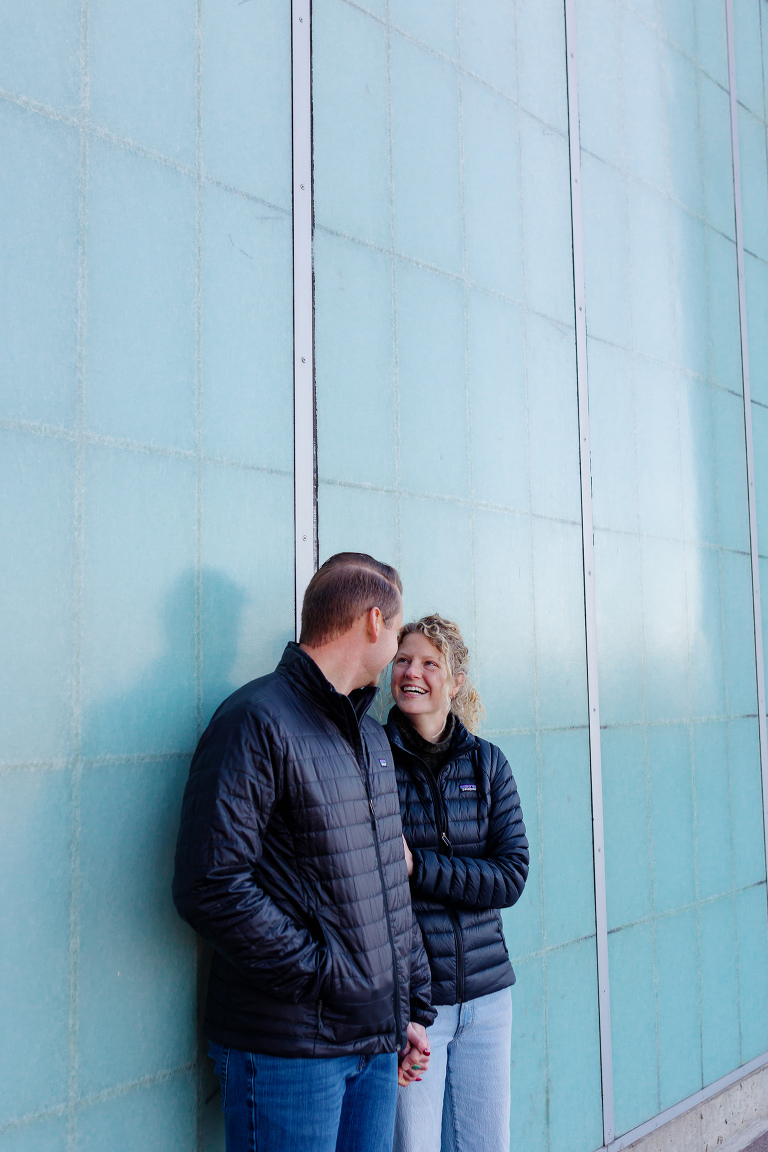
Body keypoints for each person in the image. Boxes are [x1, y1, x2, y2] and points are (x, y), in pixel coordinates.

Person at [172, 553, 435, 1152]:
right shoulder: (255, 720)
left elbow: (386, 882)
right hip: (289, 1051)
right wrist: (327, 974)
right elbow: (210, 885)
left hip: (373, 1046)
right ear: (374, 622)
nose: (396, 646)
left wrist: (408, 1006)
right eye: (396, 630)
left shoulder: (371, 737)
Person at [386, 614, 529, 1152]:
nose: (411, 673)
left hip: (489, 998)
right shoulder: (374, 759)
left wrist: (418, 868)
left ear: (456, 680)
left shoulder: (489, 764)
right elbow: (373, 886)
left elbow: (510, 876)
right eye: (402, 660)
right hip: (418, 1006)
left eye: (428, 663)